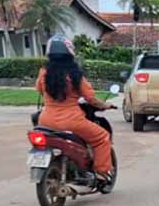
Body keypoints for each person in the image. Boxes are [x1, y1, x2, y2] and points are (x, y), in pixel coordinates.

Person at [35, 35, 116, 181]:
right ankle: (101, 173)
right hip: (72, 121)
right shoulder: (74, 75)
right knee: (102, 137)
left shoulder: (43, 73)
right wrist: (105, 105)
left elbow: (39, 90)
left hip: (45, 120)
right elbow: (91, 99)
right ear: (70, 54)